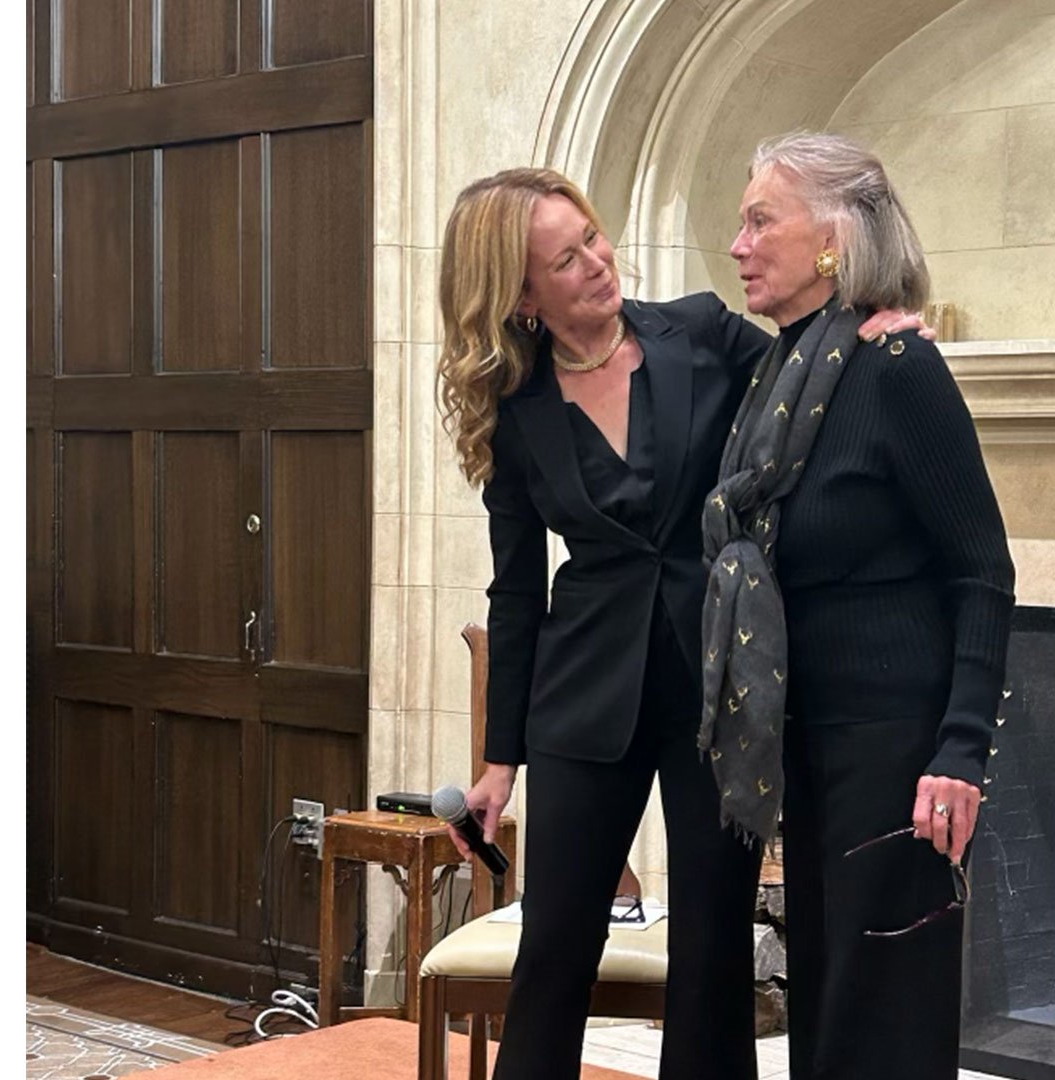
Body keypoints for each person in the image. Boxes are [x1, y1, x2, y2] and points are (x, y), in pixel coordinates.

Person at [434, 167, 924, 1080]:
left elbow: (805, 358)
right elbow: (515, 591)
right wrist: (500, 761)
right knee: (553, 951)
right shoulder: (515, 412)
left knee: (711, 949)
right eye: (564, 259)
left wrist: (880, 327)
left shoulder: (697, 331)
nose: (595, 263)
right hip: (583, 704)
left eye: (592, 238)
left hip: (720, 690)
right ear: (521, 294)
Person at [700, 132, 1015, 1079]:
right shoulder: (777, 378)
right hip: (812, 741)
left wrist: (962, 749)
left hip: (896, 750)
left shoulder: (896, 371)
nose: (738, 243)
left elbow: (983, 571)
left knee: (882, 1019)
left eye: (762, 219)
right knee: (831, 1019)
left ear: (834, 236)